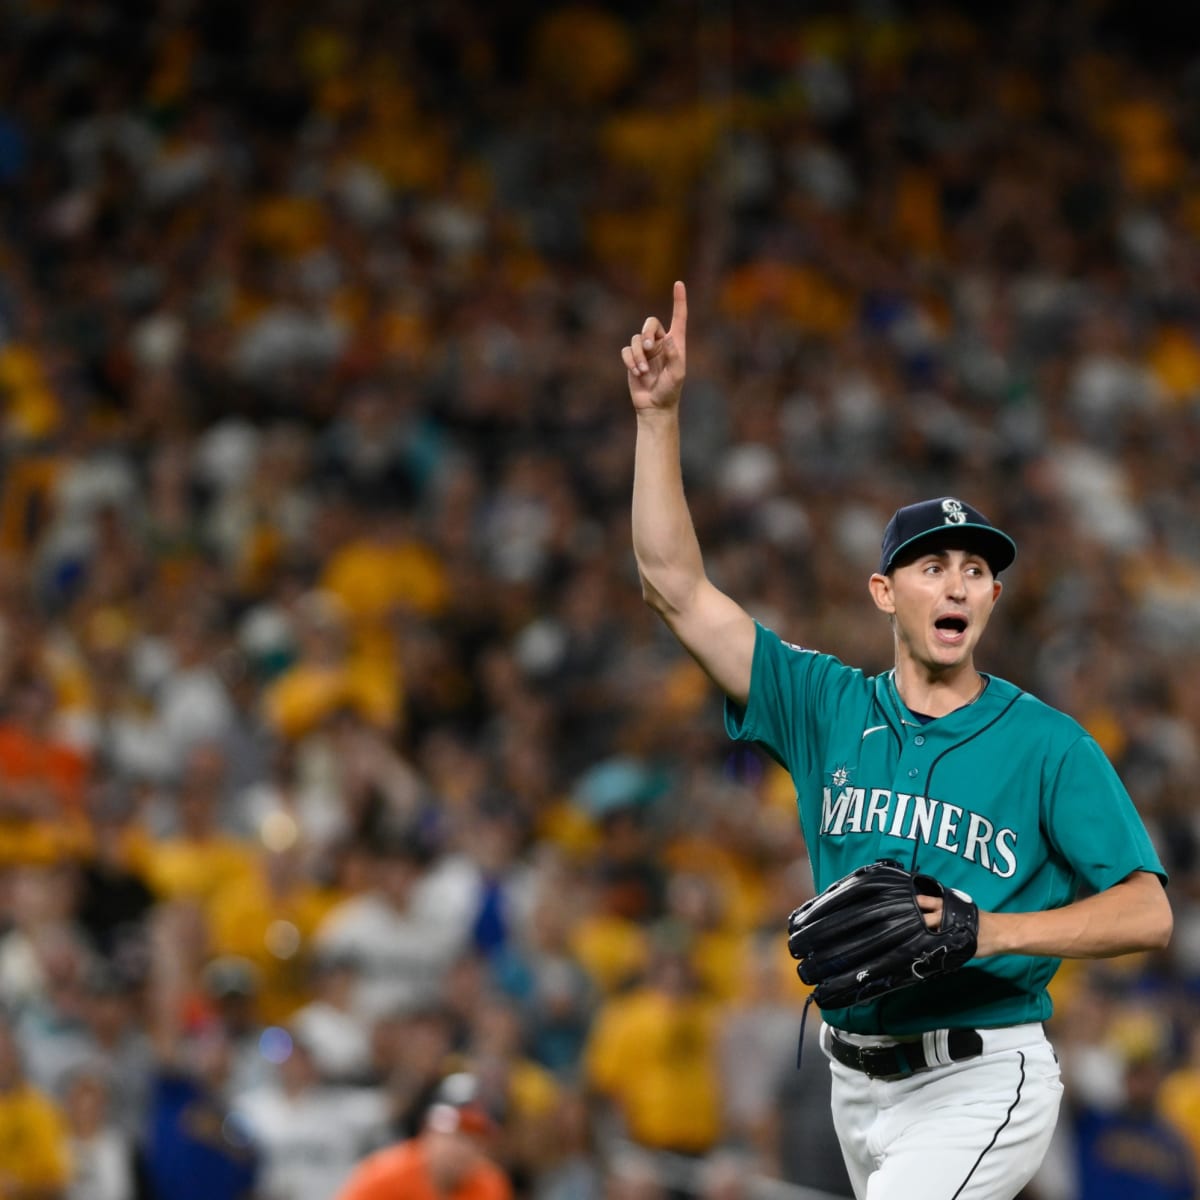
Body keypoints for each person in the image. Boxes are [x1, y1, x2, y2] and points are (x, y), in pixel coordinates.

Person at [620, 281, 1174, 1200]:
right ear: (886, 593)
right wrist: (657, 418)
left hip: (983, 1072)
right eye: (932, 567)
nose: (957, 584)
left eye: (975, 571)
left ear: (993, 598)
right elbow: (672, 585)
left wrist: (987, 929)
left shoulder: (1050, 745)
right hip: (853, 1080)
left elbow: (1149, 913)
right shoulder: (822, 703)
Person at [332, 1072, 512, 1200]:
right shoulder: (384, 1175)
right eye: (455, 1135)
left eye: (474, 1140)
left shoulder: (489, 1185)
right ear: (428, 1130)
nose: (462, 1148)